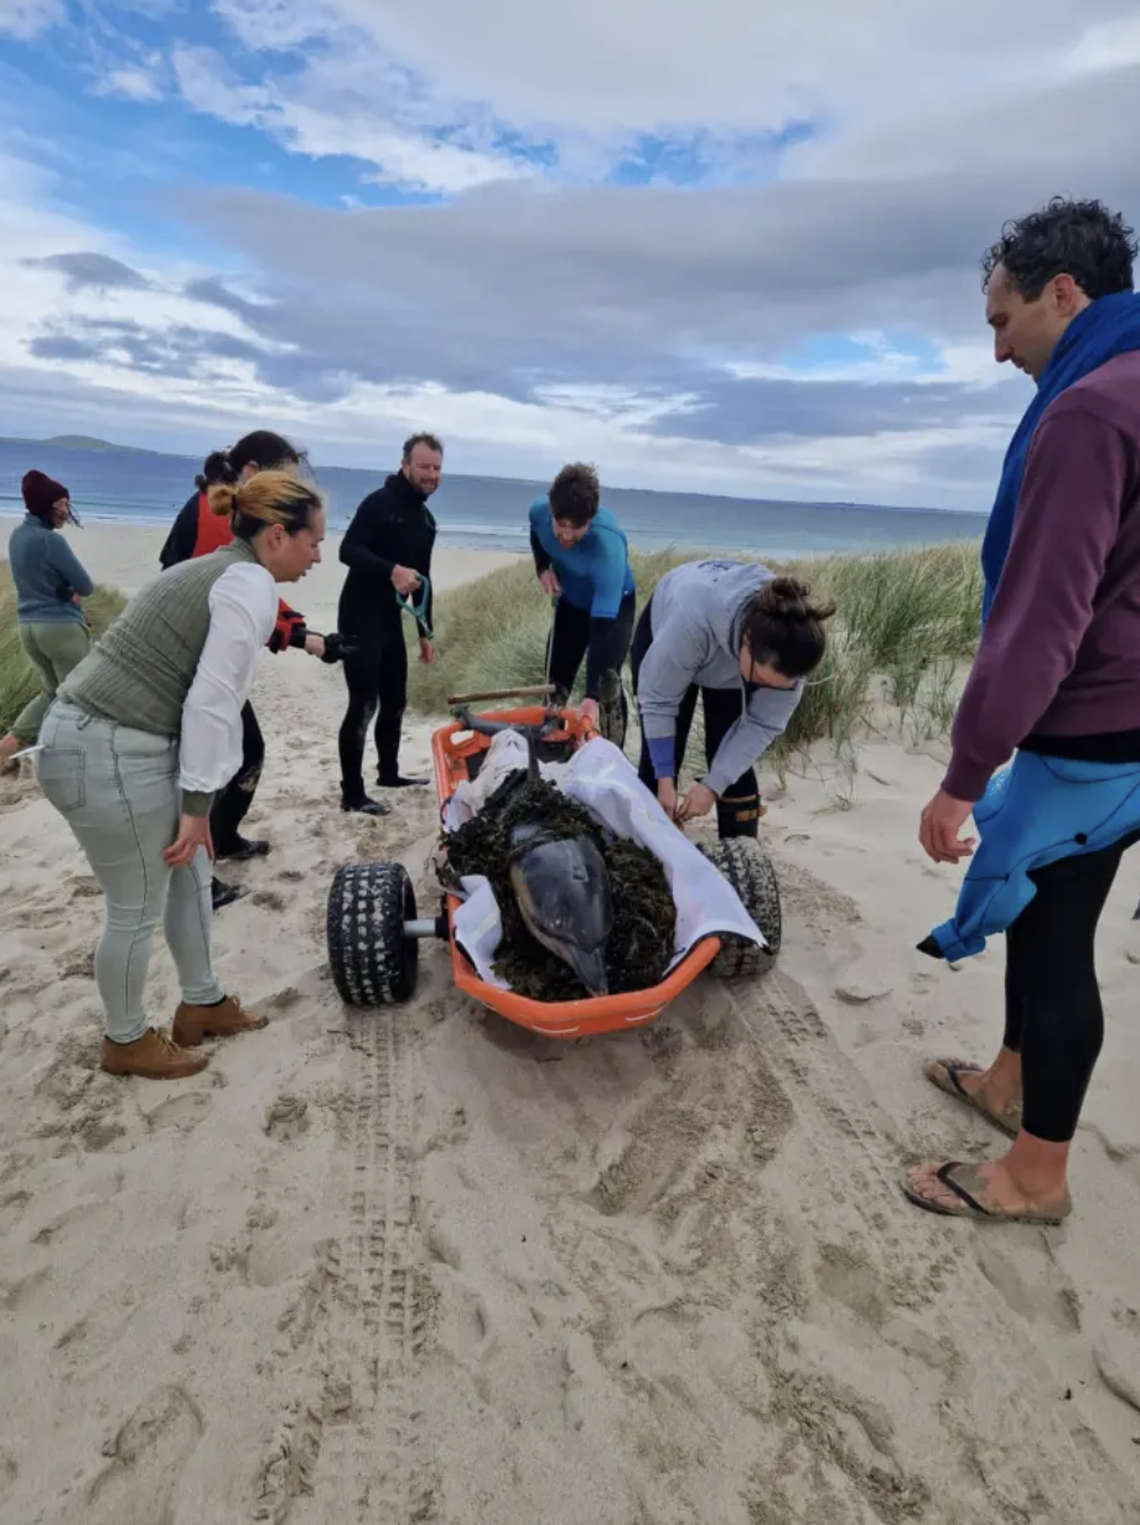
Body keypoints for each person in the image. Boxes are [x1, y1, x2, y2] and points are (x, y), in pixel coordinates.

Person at [906, 195, 1140, 1227]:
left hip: (1093, 728)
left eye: (1004, 321)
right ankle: (1008, 1081)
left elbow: (1043, 622)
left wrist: (964, 778)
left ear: (1064, 292)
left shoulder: (1092, 409)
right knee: (1048, 915)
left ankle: (1035, 1175)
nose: (1000, 351)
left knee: (1055, 946)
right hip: (1126, 724)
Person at [34, 469, 324, 1080]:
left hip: (116, 743)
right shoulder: (247, 583)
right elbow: (213, 701)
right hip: (104, 747)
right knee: (135, 906)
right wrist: (197, 805)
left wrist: (199, 808)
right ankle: (126, 1040)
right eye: (313, 541)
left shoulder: (223, 570)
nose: (318, 556)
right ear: (276, 536)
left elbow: (198, 695)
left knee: (191, 872)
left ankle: (202, 1002)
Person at [160, 431, 337, 913]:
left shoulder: (230, 517)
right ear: (256, 475)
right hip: (190, 661)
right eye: (289, 482)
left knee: (243, 748)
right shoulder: (218, 519)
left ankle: (223, 838)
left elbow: (253, 599)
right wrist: (300, 637)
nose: (295, 494)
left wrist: (302, 635)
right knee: (223, 751)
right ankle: (202, 864)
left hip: (202, 651)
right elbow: (234, 599)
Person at [631, 560, 834, 836]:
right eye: (762, 681)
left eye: (777, 686)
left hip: (734, 657)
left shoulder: (792, 652)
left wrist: (712, 787)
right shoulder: (690, 622)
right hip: (674, 624)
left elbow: (760, 725)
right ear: (747, 641)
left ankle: (741, 850)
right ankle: (649, 846)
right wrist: (665, 782)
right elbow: (658, 702)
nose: (765, 690)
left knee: (727, 755)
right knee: (658, 769)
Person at [336, 432, 441, 814]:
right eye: (424, 466)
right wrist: (392, 570)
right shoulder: (379, 504)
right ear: (405, 465)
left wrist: (425, 632)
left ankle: (389, 772)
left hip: (390, 620)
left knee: (396, 701)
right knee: (364, 703)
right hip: (359, 614)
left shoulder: (426, 521)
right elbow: (347, 550)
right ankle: (352, 793)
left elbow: (424, 577)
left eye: (436, 468)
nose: (430, 474)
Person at [528, 462, 636, 736]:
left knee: (606, 685)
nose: (566, 535)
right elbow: (536, 536)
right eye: (560, 524)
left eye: (577, 528)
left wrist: (590, 696)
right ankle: (551, 742)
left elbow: (601, 631)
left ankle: (613, 753)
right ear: (551, 511)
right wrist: (542, 570)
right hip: (571, 600)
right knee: (555, 681)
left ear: (591, 517)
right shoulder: (539, 512)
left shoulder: (608, 548)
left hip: (613, 608)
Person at [0, 471, 93, 775]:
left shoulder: (17, 536)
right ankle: (72, 760)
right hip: (60, 628)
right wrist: (71, 593)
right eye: (63, 504)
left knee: (52, 691)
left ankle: (11, 742)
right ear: (48, 505)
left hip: (28, 627)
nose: (66, 511)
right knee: (80, 695)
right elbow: (86, 585)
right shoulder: (51, 541)